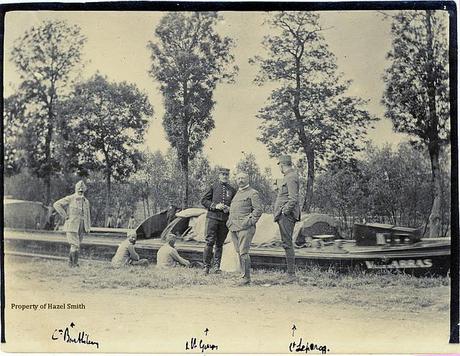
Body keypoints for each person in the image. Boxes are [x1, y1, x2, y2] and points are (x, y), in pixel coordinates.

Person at [227, 172, 263, 285]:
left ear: (248, 179)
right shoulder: (237, 193)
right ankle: (243, 275)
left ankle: (246, 278)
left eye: (242, 178)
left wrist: (249, 222)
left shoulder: (253, 193)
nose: (240, 180)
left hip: (245, 228)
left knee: (243, 252)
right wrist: (229, 221)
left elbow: (258, 210)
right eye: (238, 178)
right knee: (239, 251)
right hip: (233, 227)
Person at [201, 167, 237, 274]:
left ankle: (216, 267)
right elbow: (203, 200)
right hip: (212, 218)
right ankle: (206, 266)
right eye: (223, 174)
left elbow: (234, 205)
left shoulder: (232, 190)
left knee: (220, 243)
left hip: (224, 220)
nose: (225, 176)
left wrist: (229, 209)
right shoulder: (213, 187)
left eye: (226, 174)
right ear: (219, 176)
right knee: (209, 242)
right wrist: (215, 206)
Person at [273, 155, 300, 280]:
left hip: (287, 215)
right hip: (284, 215)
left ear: (282, 164)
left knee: (287, 243)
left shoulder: (291, 177)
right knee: (286, 243)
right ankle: (290, 273)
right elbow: (285, 194)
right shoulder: (288, 177)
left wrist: (284, 212)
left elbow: (293, 198)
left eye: (279, 165)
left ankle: (291, 274)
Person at [53, 180, 91, 268]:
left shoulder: (86, 202)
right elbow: (56, 204)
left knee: (77, 245)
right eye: (79, 190)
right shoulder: (71, 198)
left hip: (82, 226)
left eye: (82, 190)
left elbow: (87, 215)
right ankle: (74, 264)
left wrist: (88, 227)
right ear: (76, 189)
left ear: (84, 190)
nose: (80, 192)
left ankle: (71, 264)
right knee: (75, 245)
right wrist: (65, 216)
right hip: (72, 225)